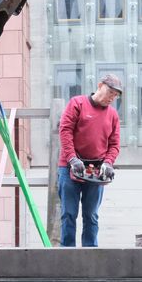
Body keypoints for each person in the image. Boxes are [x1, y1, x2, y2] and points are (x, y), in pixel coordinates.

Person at [57, 73, 122, 247]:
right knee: (68, 214)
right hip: (70, 167)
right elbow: (65, 131)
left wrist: (108, 162)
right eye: (110, 92)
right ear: (100, 85)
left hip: (96, 170)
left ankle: (90, 256)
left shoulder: (113, 115)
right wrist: (72, 158)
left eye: (115, 96)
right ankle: (67, 254)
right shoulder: (77, 103)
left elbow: (115, 144)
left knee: (91, 215)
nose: (112, 98)